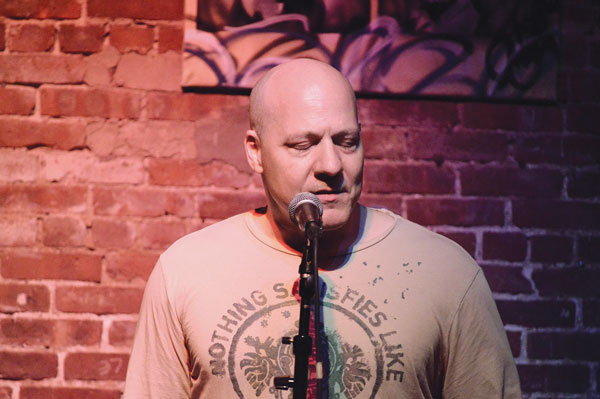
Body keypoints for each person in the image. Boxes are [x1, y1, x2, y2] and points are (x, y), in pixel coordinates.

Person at [123, 58, 521, 398]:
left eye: (347, 141)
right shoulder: (186, 270)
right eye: (303, 145)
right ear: (255, 151)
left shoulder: (446, 273)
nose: (331, 165)